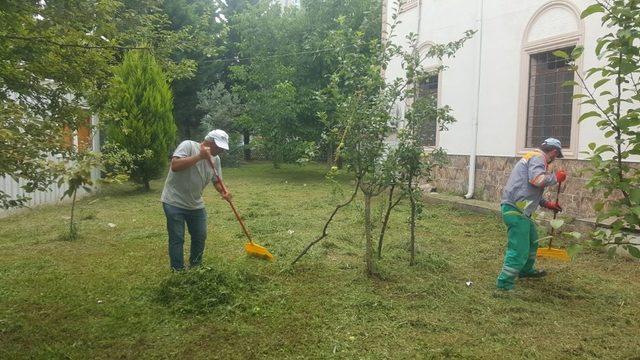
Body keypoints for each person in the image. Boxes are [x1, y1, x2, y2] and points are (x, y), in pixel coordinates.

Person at [496, 138, 568, 290]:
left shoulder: (533, 157)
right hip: (516, 211)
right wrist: (556, 178)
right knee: (519, 249)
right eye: (556, 156)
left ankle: (525, 270)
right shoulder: (537, 158)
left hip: (521, 210)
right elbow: (537, 180)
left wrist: (547, 204)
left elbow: (528, 189)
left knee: (532, 242)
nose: (555, 159)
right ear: (554, 152)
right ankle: (504, 284)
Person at [160, 129, 232, 271]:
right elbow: (175, 166)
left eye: (223, 148)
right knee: (177, 237)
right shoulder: (188, 146)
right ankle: (178, 271)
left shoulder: (216, 159)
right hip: (174, 201)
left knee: (200, 235)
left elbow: (216, 181)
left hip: (195, 203)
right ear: (209, 142)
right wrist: (200, 156)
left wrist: (224, 191)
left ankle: (196, 266)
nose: (221, 151)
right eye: (219, 147)